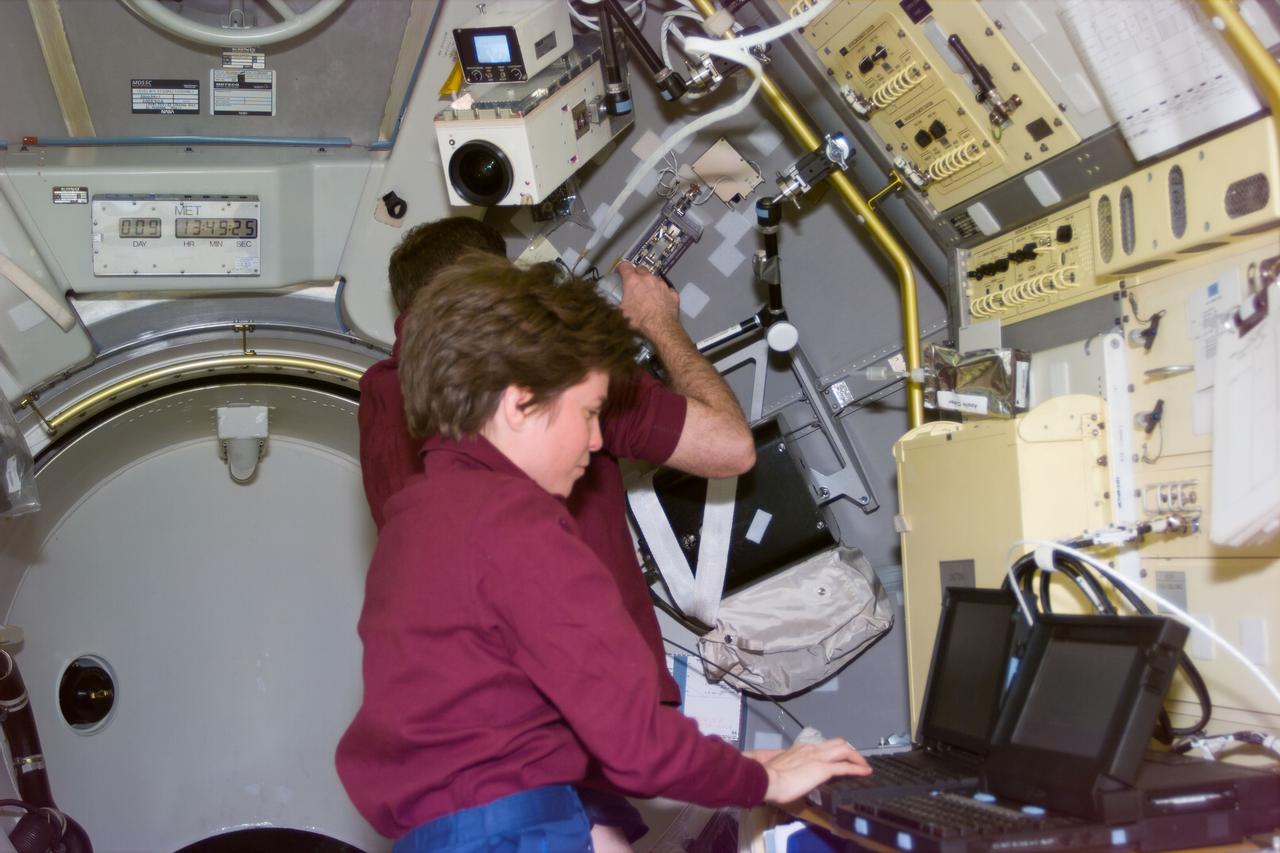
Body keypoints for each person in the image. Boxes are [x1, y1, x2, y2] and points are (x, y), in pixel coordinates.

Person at [336, 255, 871, 851]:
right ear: (520, 405)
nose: (596, 440)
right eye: (589, 413)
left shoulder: (418, 517)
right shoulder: (515, 523)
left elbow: (507, 732)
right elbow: (634, 743)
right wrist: (764, 776)